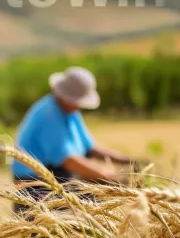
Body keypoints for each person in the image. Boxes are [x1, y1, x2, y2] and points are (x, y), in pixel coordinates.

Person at [11, 66, 137, 213]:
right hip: (34, 183)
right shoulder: (49, 115)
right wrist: (112, 179)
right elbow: (69, 160)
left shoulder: (70, 111)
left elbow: (90, 147)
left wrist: (126, 160)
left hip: (56, 175)